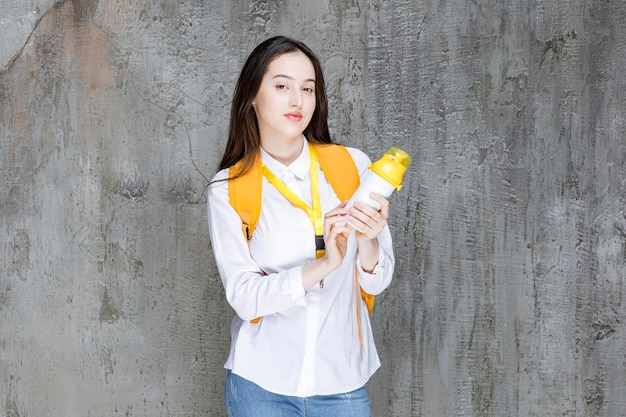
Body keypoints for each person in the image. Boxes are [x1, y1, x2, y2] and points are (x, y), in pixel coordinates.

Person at [206, 36, 395, 417]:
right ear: (252, 96)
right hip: (261, 386)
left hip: (341, 383)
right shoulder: (228, 188)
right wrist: (324, 266)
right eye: (281, 86)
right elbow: (245, 297)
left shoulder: (352, 166)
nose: (298, 100)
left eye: (307, 89)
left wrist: (371, 241)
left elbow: (377, 280)